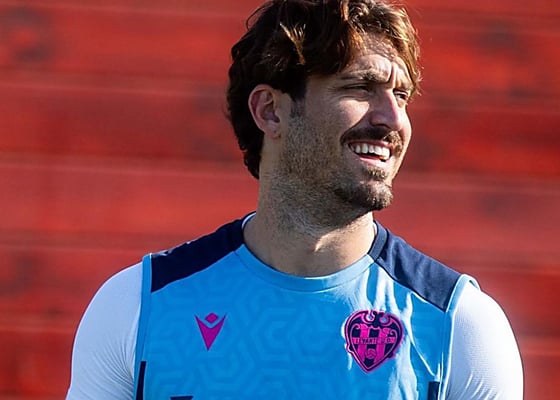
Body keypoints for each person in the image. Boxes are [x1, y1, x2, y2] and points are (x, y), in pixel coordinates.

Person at [66, 0, 523, 399]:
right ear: (270, 111)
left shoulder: (458, 326)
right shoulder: (137, 306)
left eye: (401, 95)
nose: (392, 119)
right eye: (360, 87)